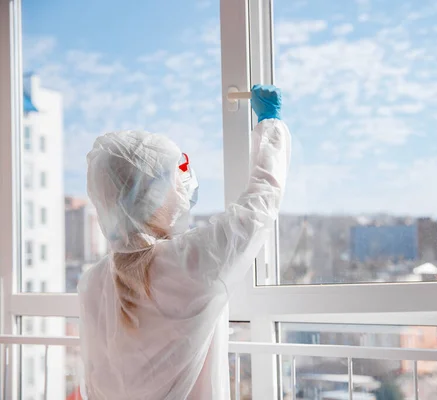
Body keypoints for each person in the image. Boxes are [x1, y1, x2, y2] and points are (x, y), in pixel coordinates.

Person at [78, 84, 290, 399]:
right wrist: (270, 124)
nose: (184, 185)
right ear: (154, 197)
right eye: (175, 179)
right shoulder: (189, 262)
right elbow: (260, 203)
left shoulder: (93, 280)